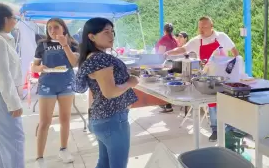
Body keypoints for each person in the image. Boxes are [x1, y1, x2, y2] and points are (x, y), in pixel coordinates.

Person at [74, 17, 139, 168]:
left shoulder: (92, 57)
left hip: (102, 117)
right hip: (113, 119)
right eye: (106, 32)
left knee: (104, 163)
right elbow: (109, 92)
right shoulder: (101, 58)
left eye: (112, 31)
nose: (111, 36)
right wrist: (131, 82)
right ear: (91, 36)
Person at [165, 16, 239, 142]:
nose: (201, 29)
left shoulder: (222, 37)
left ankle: (230, 127)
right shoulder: (196, 41)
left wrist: (237, 67)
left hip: (224, 76)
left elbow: (235, 52)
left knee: (227, 100)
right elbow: (183, 49)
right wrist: (169, 53)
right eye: (199, 27)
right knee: (212, 103)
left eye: (204, 27)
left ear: (211, 26)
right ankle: (215, 129)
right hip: (208, 77)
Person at [31, 18, 79, 167]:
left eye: (56, 27)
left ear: (63, 28)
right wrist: (39, 69)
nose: (52, 30)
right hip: (47, 84)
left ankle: (63, 149)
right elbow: (34, 67)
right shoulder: (42, 44)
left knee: (65, 119)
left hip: (67, 83)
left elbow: (74, 63)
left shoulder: (73, 43)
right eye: (49, 28)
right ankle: (39, 158)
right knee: (45, 121)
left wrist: (65, 45)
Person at [0, 3, 25, 168]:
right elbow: (2, 74)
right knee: (13, 139)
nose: (16, 21)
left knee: (1, 140)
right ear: (5, 19)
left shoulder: (0, 38)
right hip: (0, 94)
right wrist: (13, 102)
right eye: (14, 18)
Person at [155, 23, 178, 113]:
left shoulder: (164, 39)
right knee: (171, 83)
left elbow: (160, 54)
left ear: (164, 31)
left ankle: (167, 105)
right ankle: (170, 103)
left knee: (165, 84)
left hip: (167, 64)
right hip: (176, 65)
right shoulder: (175, 40)